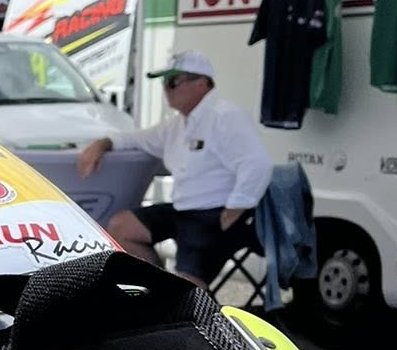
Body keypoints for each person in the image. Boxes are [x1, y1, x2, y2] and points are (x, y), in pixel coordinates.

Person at [77, 51, 272, 286]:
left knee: (188, 288)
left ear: (202, 83)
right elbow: (136, 138)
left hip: (213, 215)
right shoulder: (177, 124)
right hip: (184, 210)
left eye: (172, 82)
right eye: (164, 83)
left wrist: (235, 208)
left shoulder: (226, 116)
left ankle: (177, 296)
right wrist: (103, 143)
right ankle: (161, 288)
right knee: (122, 226)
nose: (166, 89)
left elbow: (257, 164)